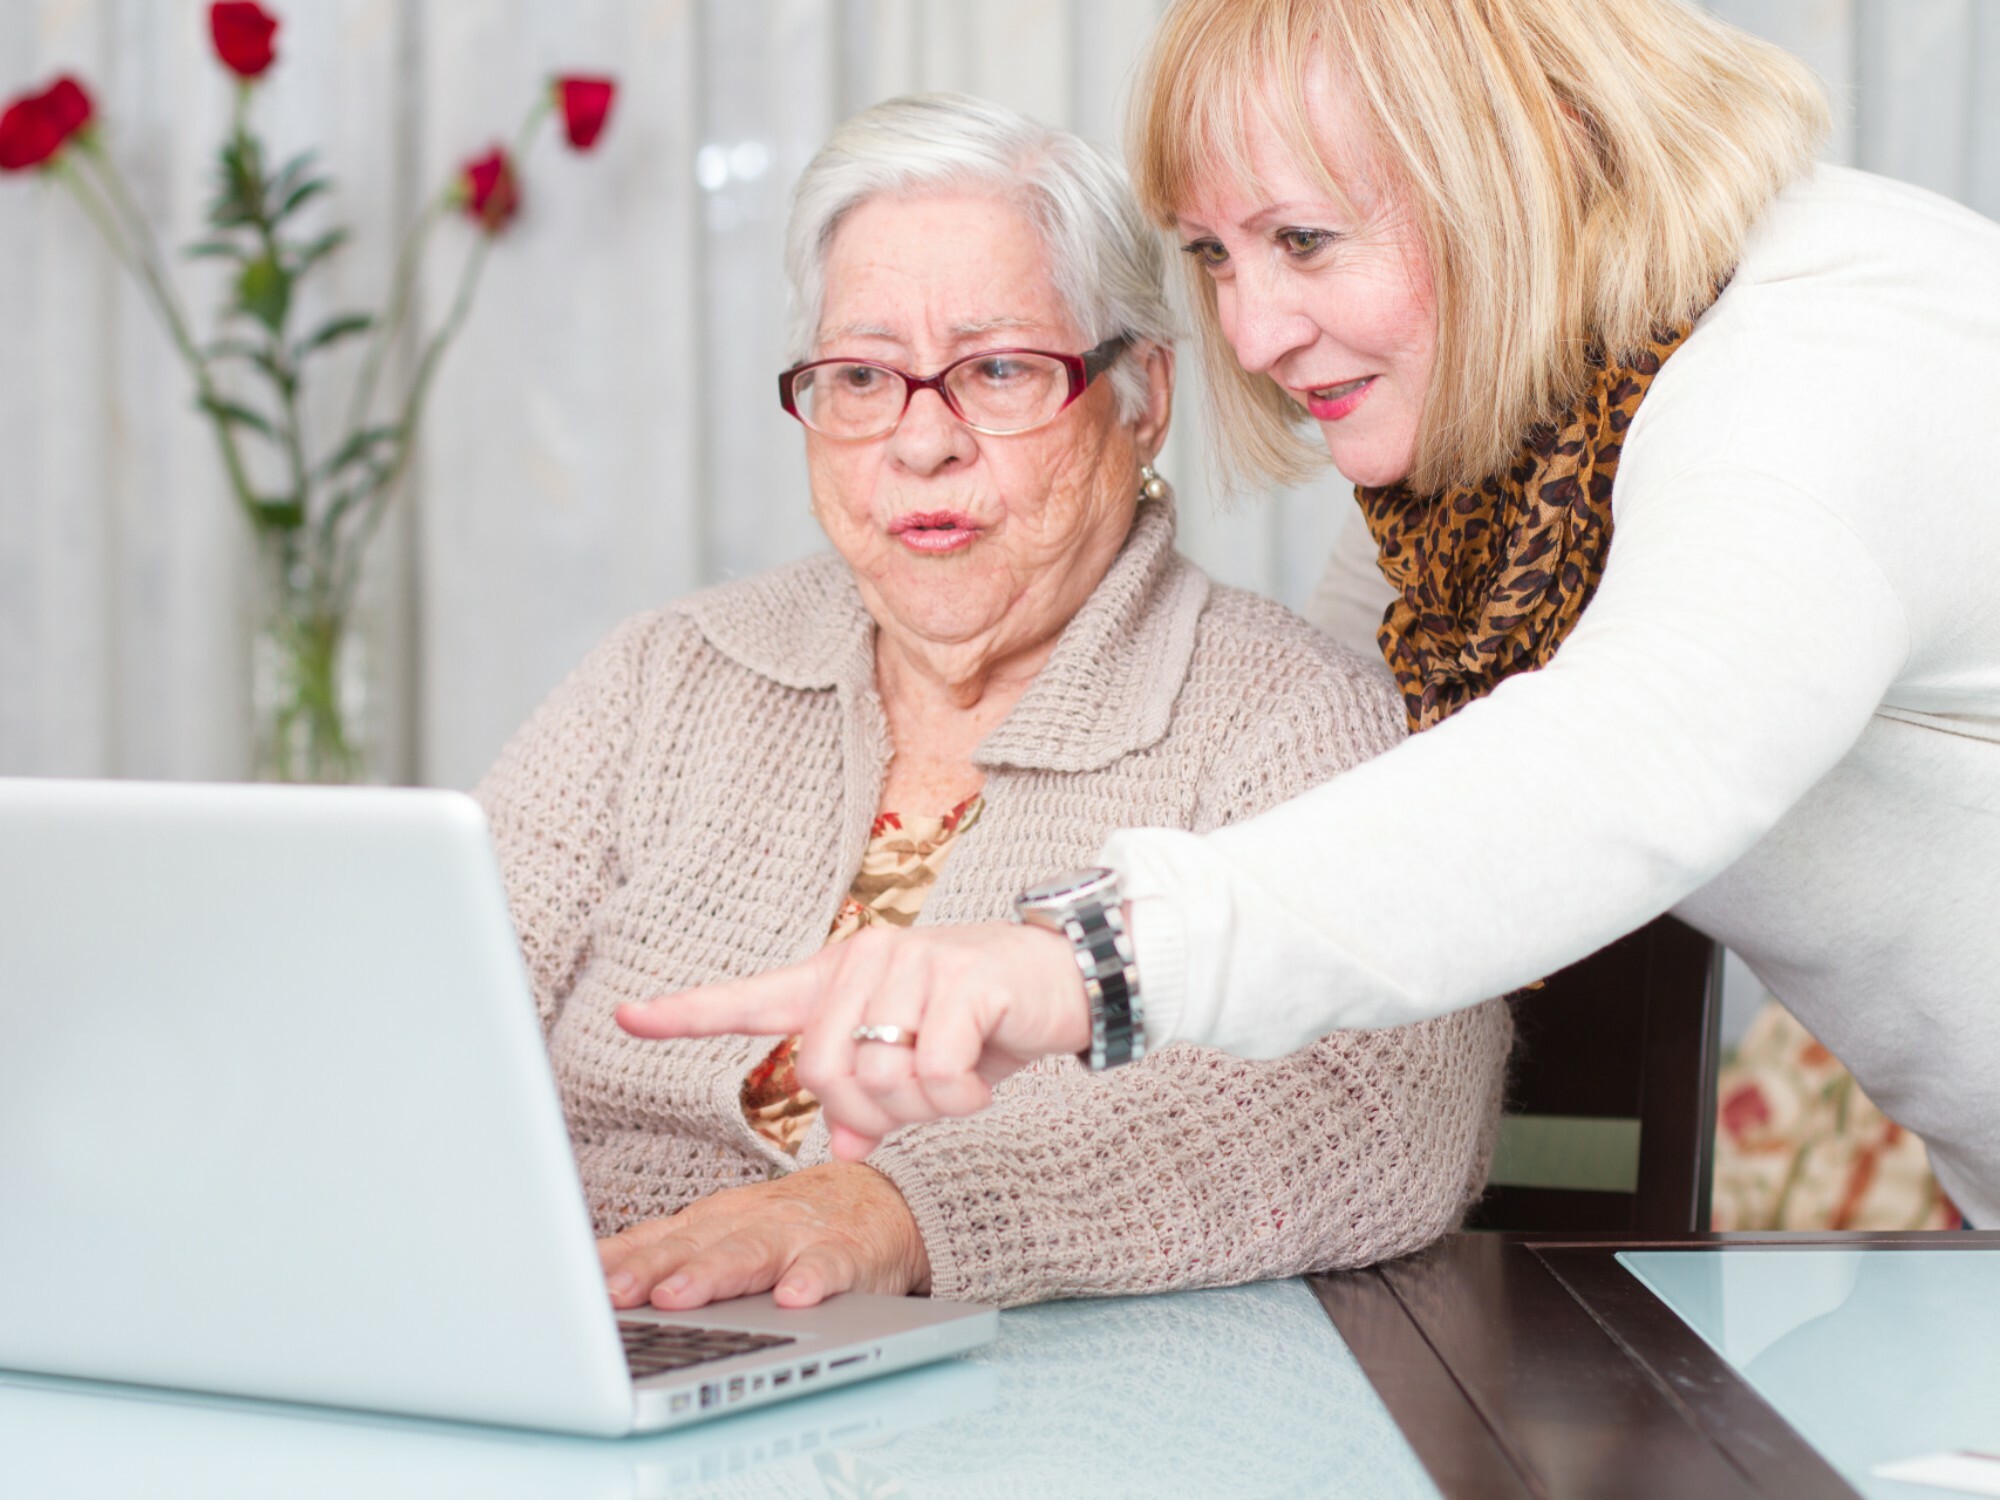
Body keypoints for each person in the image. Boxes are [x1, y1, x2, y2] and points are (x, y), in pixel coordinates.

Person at [623, 0, 2000, 1230]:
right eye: (1216, 255)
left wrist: (1070, 961)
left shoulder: (1830, 365)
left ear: (1531, 160)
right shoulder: (1489, 489)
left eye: (1304, 240)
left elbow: (1625, 761)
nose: (1256, 332)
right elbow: (1328, 822)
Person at [479, 92, 1509, 1314]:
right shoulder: (666, 676)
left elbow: (1384, 1116)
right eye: (862, 376)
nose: (920, 444)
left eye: (999, 370)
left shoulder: (1284, 718)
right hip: (583, 1337)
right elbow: (410, 1006)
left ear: (1142, 400)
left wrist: (898, 1211)